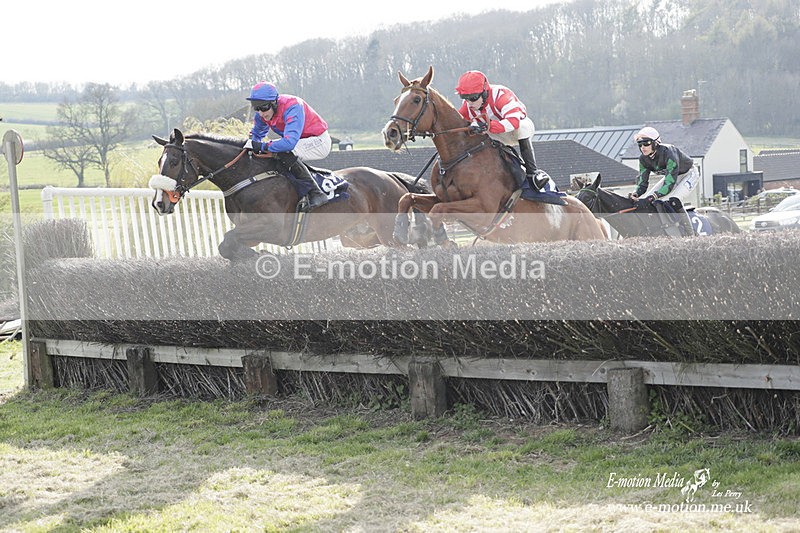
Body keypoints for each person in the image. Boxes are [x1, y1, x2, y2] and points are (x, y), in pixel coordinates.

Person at [455, 70, 550, 192]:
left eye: (472, 98)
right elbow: (459, 123)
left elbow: (513, 121)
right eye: (464, 98)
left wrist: (487, 126)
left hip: (513, 131)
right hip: (494, 135)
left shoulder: (501, 95)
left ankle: (533, 173)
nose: (469, 103)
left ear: (484, 92)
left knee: (522, 128)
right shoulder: (468, 105)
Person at [245, 82, 332, 208]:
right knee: (270, 151)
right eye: (256, 108)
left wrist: (262, 146)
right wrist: (251, 145)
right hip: (298, 142)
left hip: (318, 141)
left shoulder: (292, 106)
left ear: (274, 102)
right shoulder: (262, 114)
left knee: (284, 151)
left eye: (264, 108)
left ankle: (316, 192)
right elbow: (256, 136)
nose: (261, 113)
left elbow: (289, 143)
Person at [629, 127, 699, 210]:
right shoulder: (643, 159)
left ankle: (687, 223)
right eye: (640, 144)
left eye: (646, 143)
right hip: (673, 176)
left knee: (674, 200)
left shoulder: (668, 152)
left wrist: (654, 196)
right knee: (648, 201)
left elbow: (669, 184)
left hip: (689, 174)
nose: (642, 147)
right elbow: (642, 184)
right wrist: (635, 193)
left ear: (655, 143)